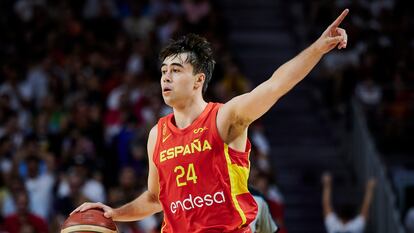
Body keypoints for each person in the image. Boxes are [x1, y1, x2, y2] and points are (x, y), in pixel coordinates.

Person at [72, 9, 350, 232]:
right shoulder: (157, 134)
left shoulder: (225, 117)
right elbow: (156, 199)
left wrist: (318, 48)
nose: (166, 77)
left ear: (198, 80)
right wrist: (115, 212)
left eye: (176, 70)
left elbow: (275, 85)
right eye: (163, 71)